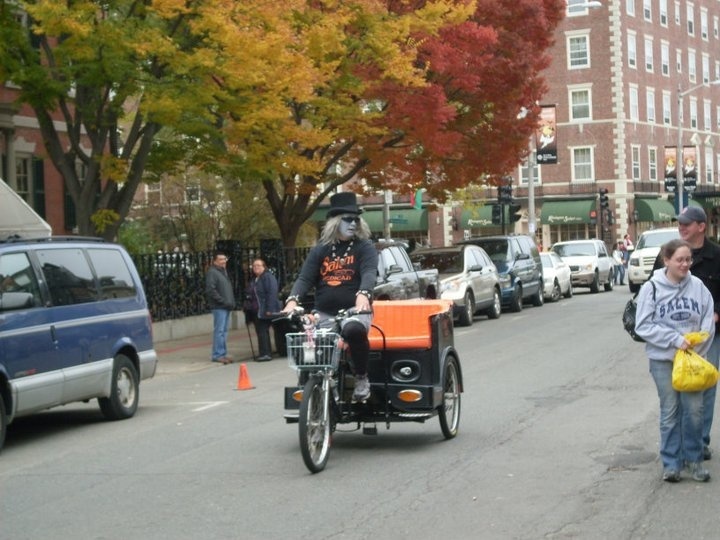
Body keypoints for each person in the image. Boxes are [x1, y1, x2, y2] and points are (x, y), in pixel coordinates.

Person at [282, 192, 378, 401]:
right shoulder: (321, 250)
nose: (353, 223)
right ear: (335, 222)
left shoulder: (365, 248)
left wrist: (363, 295)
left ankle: (362, 377)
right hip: (324, 312)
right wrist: (292, 301)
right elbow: (305, 278)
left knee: (354, 330)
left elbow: (370, 272)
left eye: (356, 219)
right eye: (347, 219)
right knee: (310, 342)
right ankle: (311, 385)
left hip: (354, 312)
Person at [635, 239, 715, 483]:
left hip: (691, 361)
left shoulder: (698, 286)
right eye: (679, 260)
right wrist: (674, 339)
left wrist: (698, 344)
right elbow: (643, 326)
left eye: (688, 259)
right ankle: (671, 463)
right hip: (663, 360)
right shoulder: (652, 288)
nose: (685, 264)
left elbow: (707, 319)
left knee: (694, 411)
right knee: (670, 410)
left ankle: (694, 460)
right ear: (666, 260)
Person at [653, 205, 720, 460]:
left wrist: (717, 314)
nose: (681, 226)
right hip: (674, 340)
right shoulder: (670, 253)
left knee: (704, 389)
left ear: (701, 226)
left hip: (708, 337)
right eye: (680, 223)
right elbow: (652, 288)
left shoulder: (716, 256)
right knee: (676, 392)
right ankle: (680, 446)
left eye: (687, 223)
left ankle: (699, 442)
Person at [246, 258, 280, 362]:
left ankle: (266, 353)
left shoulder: (267, 277)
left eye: (258, 265)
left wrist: (269, 308)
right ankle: (264, 352)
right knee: (260, 331)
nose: (256, 267)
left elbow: (272, 293)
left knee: (262, 331)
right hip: (257, 310)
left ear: (264, 267)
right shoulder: (255, 279)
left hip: (264, 309)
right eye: (254, 266)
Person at [206, 251, 235, 365]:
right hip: (219, 307)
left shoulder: (223, 272)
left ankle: (222, 353)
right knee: (220, 331)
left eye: (225, 259)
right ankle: (218, 354)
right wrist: (223, 301)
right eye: (221, 260)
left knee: (224, 331)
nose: (224, 261)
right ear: (215, 261)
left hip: (225, 306)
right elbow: (211, 290)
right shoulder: (213, 272)